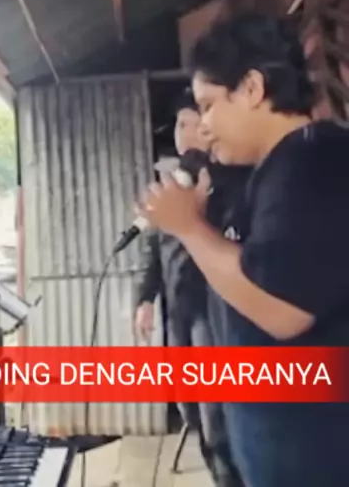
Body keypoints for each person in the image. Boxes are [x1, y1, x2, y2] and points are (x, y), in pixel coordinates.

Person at [137, 11, 349, 487]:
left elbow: (282, 308)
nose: (204, 127)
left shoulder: (313, 163)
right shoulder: (273, 171)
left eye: (209, 105)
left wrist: (189, 228)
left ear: (252, 89)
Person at [135, 89, 247, 487]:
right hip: (177, 310)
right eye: (180, 125)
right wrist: (145, 298)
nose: (185, 133)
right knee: (190, 408)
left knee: (216, 413)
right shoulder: (172, 184)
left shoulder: (231, 180)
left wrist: (198, 214)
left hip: (211, 311)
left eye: (193, 123)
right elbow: (156, 246)